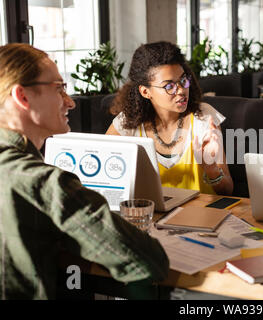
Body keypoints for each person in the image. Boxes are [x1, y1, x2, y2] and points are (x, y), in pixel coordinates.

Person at [0, 43, 169, 299]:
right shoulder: (45, 183)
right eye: (59, 89)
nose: (70, 102)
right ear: (22, 97)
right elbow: (149, 262)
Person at [106, 42, 233, 196]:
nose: (181, 90)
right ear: (146, 92)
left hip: (199, 217)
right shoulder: (128, 123)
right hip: (151, 217)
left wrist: (211, 168)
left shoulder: (204, 117)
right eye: (169, 86)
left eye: (183, 80)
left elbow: (227, 190)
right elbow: (104, 177)